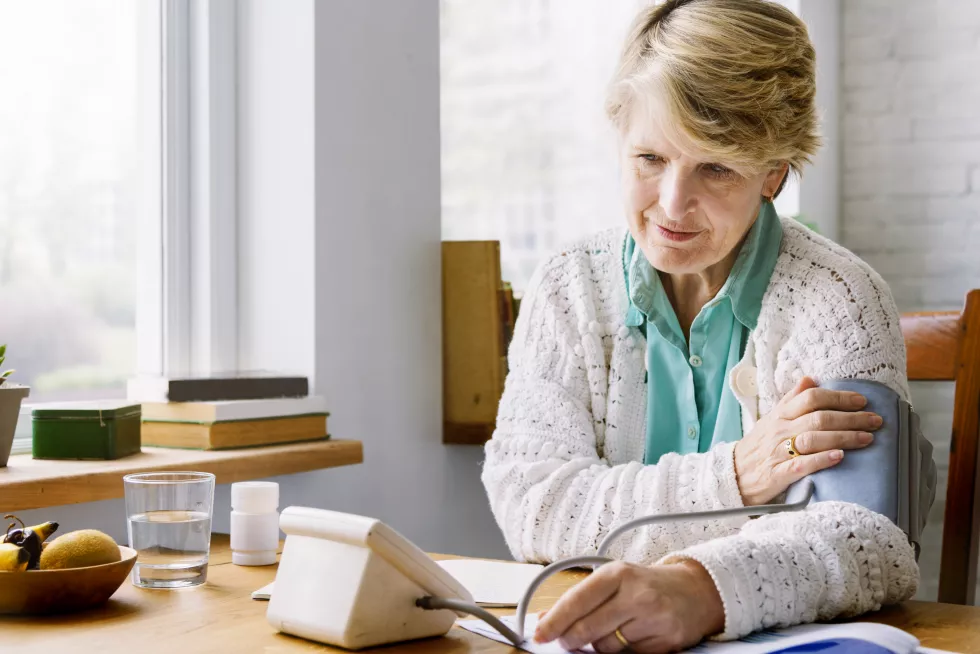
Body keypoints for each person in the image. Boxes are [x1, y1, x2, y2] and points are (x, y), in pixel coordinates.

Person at [481, 1, 936, 652]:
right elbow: (534, 505)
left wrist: (697, 592)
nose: (671, 204)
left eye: (715, 168)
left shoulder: (841, 298)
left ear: (773, 172)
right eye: (649, 159)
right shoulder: (569, 287)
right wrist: (737, 478)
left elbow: (867, 540)